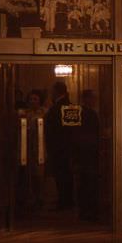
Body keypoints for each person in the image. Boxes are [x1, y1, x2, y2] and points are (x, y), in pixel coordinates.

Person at [44, 82, 74, 210]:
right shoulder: (70, 107)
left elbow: (50, 130)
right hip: (68, 147)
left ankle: (64, 201)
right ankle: (68, 200)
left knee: (61, 175)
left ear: (56, 91)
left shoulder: (56, 108)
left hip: (58, 148)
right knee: (67, 175)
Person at [76, 90, 101, 221]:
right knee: (89, 184)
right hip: (89, 153)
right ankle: (90, 211)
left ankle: (85, 211)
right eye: (93, 98)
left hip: (83, 154)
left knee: (85, 183)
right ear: (86, 99)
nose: (95, 100)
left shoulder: (80, 112)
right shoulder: (89, 114)